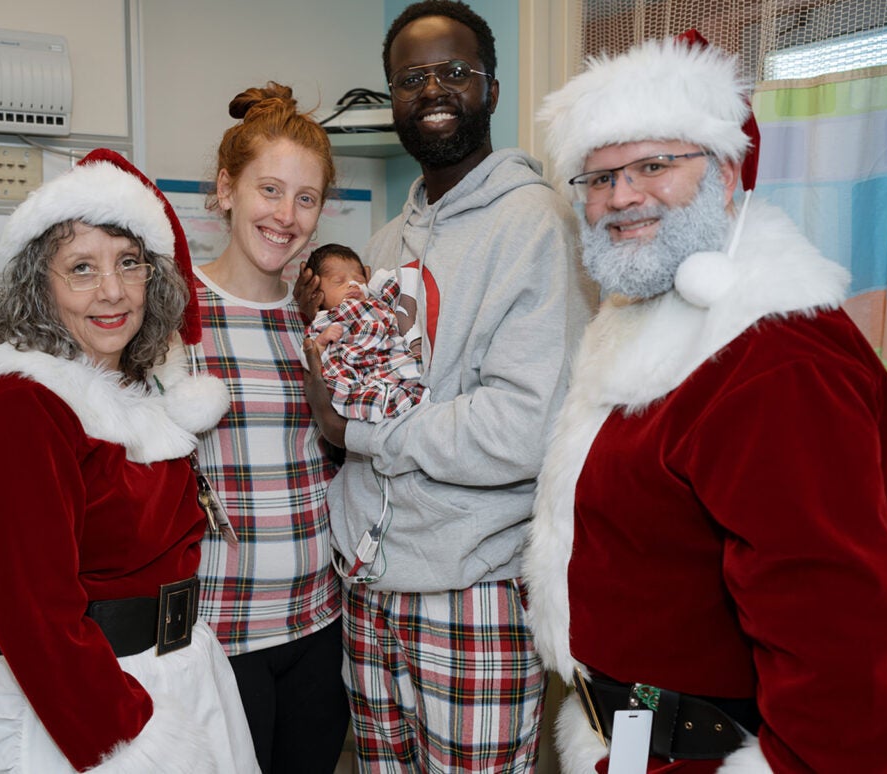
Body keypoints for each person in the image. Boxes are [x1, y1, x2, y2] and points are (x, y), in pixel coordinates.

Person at [525, 34, 887, 773]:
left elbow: (838, 648)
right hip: (629, 745)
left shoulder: (776, 360)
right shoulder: (642, 322)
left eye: (655, 165)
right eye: (598, 178)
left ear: (727, 173)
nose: (622, 196)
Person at [300, 1, 593, 770]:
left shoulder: (538, 226)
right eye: (412, 78)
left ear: (492, 90)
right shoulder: (385, 244)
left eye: (456, 72)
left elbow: (520, 429)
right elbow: (352, 389)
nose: (434, 90)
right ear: (393, 97)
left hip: (473, 594)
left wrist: (358, 432)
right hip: (368, 589)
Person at [0, 149, 258, 773]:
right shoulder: (21, 407)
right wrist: (123, 739)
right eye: (81, 268)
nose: (112, 291)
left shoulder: (140, 390)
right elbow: (34, 615)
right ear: (39, 286)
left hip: (178, 680)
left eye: (128, 263)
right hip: (86, 712)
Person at [193, 83, 350, 774]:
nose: (286, 216)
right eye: (269, 190)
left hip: (320, 625)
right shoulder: (170, 312)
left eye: (306, 198)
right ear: (226, 189)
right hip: (216, 636)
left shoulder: (320, 322)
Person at [304, 242, 427, 422]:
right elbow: (308, 355)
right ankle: (381, 409)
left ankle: (411, 401)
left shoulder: (376, 303)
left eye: (359, 279)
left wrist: (378, 282)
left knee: (418, 364)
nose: (352, 284)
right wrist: (322, 341)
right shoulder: (326, 318)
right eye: (339, 281)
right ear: (317, 294)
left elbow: (396, 286)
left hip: (387, 360)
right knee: (340, 388)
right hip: (352, 368)